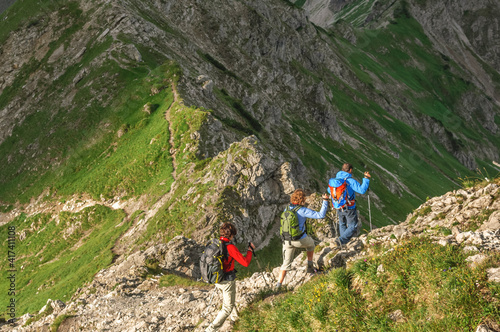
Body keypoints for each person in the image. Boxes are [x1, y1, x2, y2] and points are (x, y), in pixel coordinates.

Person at [205, 222, 255, 332]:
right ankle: (210, 330)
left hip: (216, 278)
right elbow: (245, 263)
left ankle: (235, 318)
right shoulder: (230, 247)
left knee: (229, 300)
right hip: (227, 280)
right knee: (226, 308)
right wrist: (250, 251)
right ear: (231, 234)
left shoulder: (216, 244)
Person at [276, 189, 329, 289]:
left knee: (285, 263)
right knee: (311, 245)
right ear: (302, 200)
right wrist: (325, 201)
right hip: (299, 240)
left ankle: (278, 285)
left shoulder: (286, 209)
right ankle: (310, 267)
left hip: (286, 240)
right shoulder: (302, 210)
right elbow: (320, 215)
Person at [328, 163, 370, 247]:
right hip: (349, 206)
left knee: (342, 223)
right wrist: (366, 178)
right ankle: (340, 241)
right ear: (350, 170)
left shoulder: (336, 180)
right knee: (352, 225)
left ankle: (342, 243)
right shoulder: (349, 180)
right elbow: (362, 190)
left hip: (339, 205)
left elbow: (329, 191)